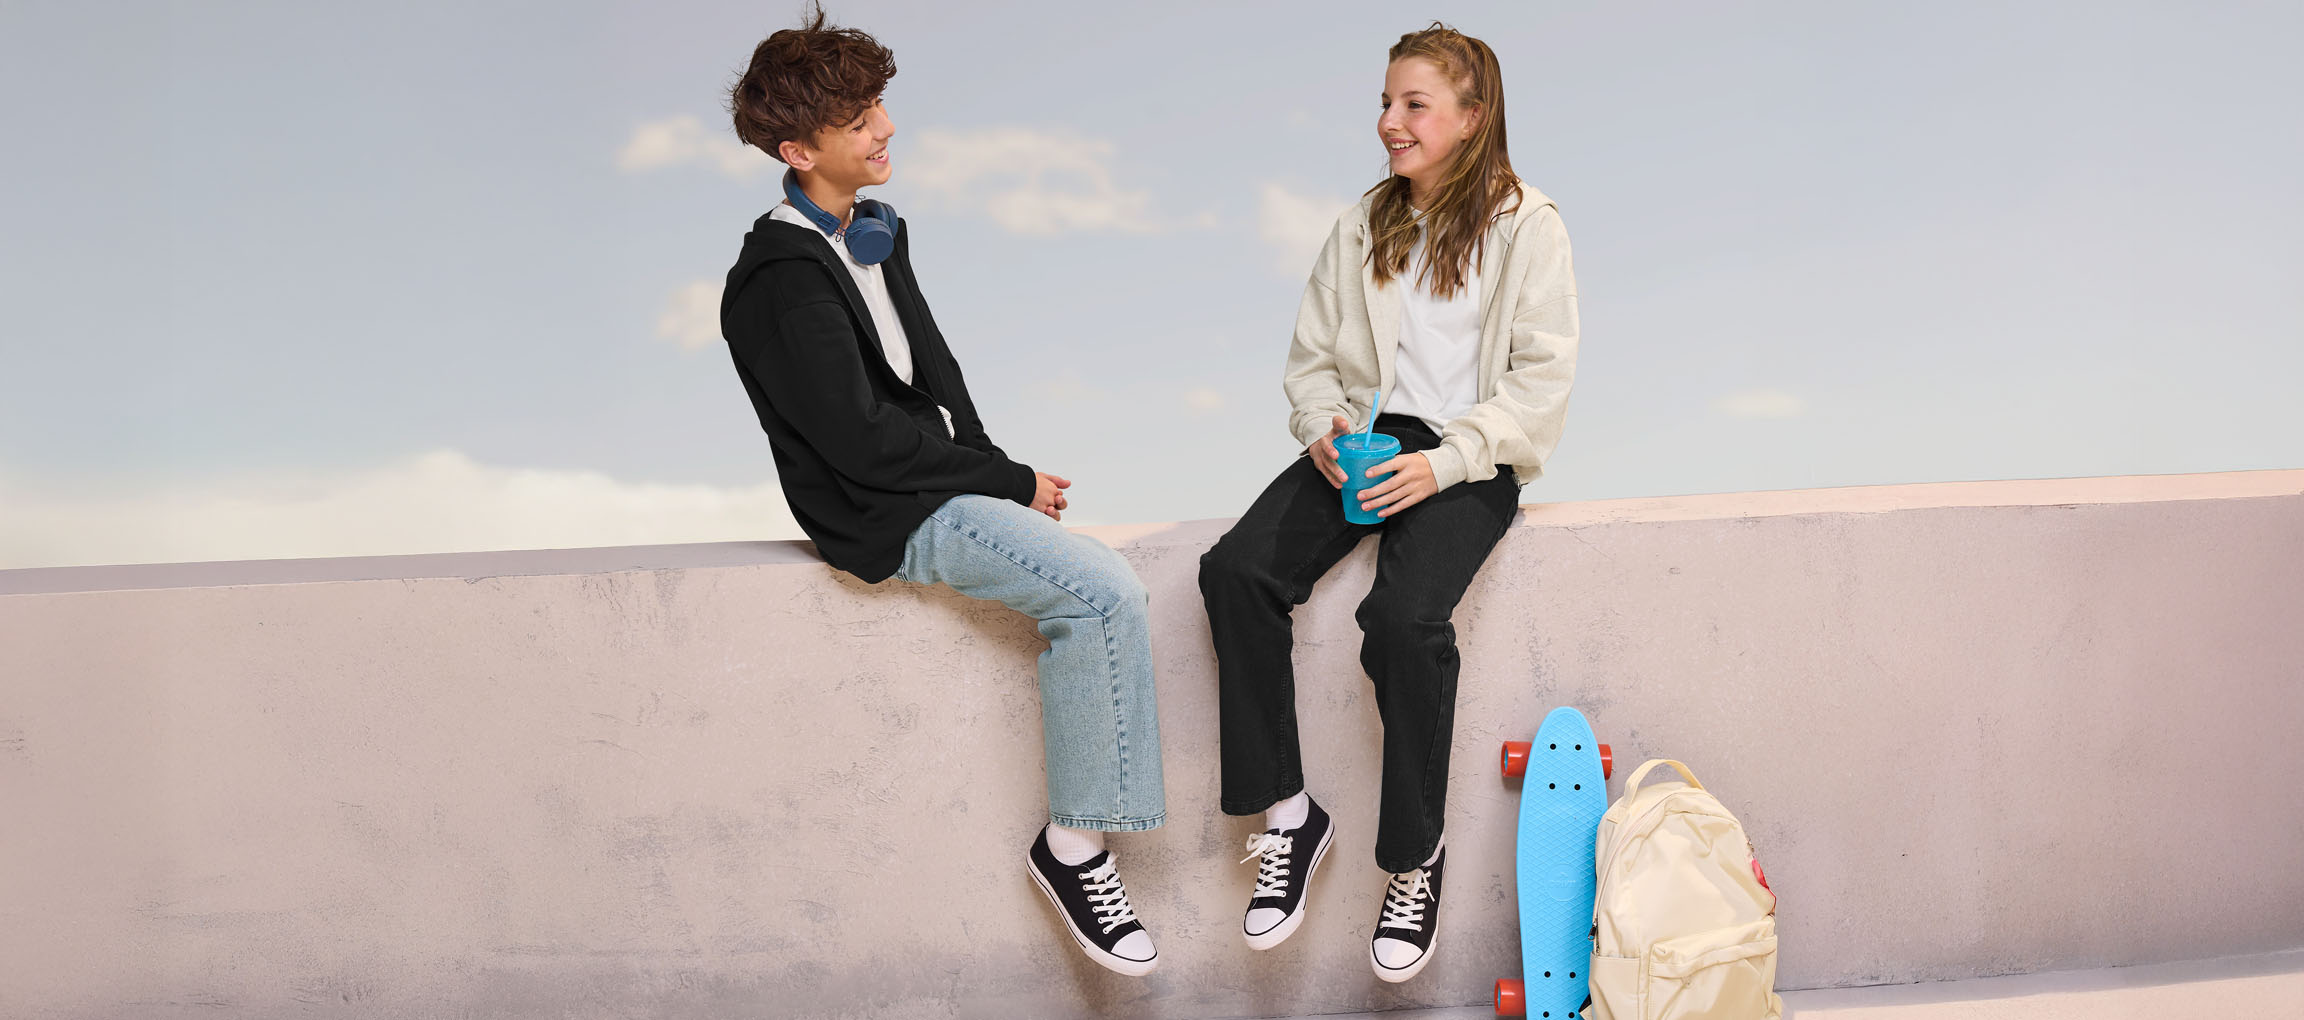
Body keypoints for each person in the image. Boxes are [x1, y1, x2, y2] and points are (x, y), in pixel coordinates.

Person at [717, 6, 1167, 977]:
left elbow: (934, 369)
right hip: (887, 514)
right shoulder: (779, 279)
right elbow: (862, 445)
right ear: (798, 151)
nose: (886, 128)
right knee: (1103, 596)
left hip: (939, 483)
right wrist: (1004, 480)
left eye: (880, 105)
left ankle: (1085, 837)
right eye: (859, 120)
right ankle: (1074, 850)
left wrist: (1005, 473)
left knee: (1100, 579)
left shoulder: (875, 227)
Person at [1199, 22, 1580, 983]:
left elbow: (1539, 387)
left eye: (1414, 104)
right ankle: (1290, 814)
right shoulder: (1362, 224)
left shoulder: (1529, 226)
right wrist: (1321, 430)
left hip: (1471, 459)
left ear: (1471, 117)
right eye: (1385, 102)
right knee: (1236, 571)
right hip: (1368, 441)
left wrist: (1446, 465)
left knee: (1403, 623)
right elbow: (1311, 362)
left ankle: (1415, 856)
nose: (1389, 123)